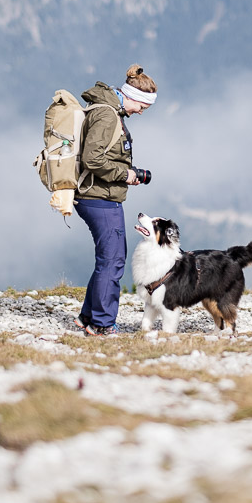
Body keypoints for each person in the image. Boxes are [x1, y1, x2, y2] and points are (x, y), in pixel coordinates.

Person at [74, 64, 157, 335]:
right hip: (98, 197)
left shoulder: (110, 111)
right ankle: (102, 324)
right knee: (113, 261)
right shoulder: (107, 115)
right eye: (143, 105)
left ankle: (87, 317)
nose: (142, 111)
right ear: (133, 96)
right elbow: (92, 158)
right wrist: (126, 174)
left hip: (100, 195)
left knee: (108, 259)